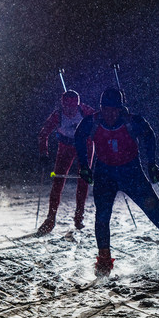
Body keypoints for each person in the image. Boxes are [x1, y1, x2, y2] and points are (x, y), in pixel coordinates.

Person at [74, 88, 159, 278]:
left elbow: (149, 136)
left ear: (121, 109)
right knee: (102, 217)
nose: (110, 115)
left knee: (158, 215)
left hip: (131, 173)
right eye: (106, 110)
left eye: (114, 110)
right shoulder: (92, 121)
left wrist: (152, 163)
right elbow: (79, 137)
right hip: (105, 173)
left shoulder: (132, 122)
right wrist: (84, 165)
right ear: (101, 108)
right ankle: (104, 261)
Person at [37, 90, 95, 235]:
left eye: (73, 107)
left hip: (85, 145)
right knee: (58, 181)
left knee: (83, 180)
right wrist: (44, 153)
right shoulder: (58, 115)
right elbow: (44, 133)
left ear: (77, 104)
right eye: (67, 107)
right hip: (66, 147)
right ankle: (50, 218)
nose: (70, 110)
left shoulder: (85, 111)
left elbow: (102, 121)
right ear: (63, 105)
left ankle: (79, 216)